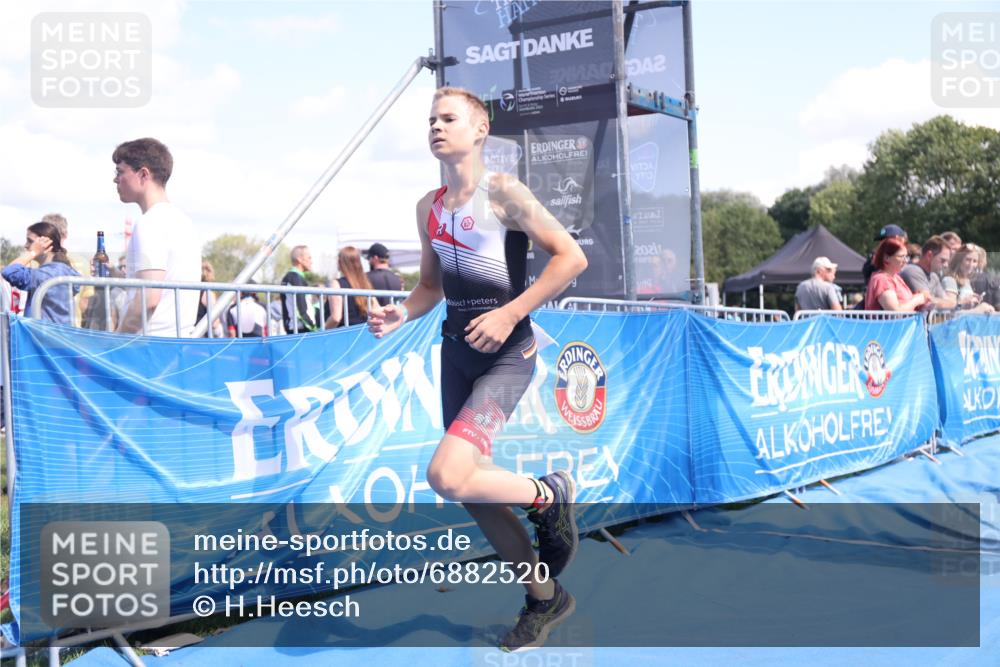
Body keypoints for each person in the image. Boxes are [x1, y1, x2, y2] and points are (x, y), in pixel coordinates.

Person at [367, 87, 588, 652]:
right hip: (456, 353)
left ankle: (547, 493)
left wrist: (510, 312)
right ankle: (545, 598)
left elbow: (571, 257)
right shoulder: (429, 207)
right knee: (472, 491)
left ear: (480, 129)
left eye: (449, 119)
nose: (436, 128)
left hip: (508, 354)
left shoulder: (504, 192)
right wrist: (401, 312)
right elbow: (429, 286)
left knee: (446, 475)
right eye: (431, 120)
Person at [112, 138, 201, 336]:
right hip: (175, 342)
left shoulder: (150, 222)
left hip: (149, 345)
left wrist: (117, 339)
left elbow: (149, 298)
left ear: (143, 174)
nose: (115, 180)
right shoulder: (183, 221)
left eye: (120, 172)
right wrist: (114, 273)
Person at [2, 222, 80, 325]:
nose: (26, 245)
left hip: (45, 335)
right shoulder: (58, 271)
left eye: (30, 241)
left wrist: (33, 252)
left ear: (45, 244)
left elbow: (9, 271)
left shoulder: (48, 274)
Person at [864, 237, 930, 311]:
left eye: (906, 257)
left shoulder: (897, 278)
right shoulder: (881, 279)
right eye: (901, 256)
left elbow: (907, 306)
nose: (906, 261)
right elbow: (895, 310)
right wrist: (916, 300)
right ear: (887, 258)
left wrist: (922, 300)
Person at [900, 235, 954, 310]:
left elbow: (949, 302)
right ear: (929, 255)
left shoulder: (934, 276)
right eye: (943, 260)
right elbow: (928, 302)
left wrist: (945, 302)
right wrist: (944, 302)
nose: (946, 265)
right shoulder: (912, 271)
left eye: (947, 261)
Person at [326, 246, 374, 328]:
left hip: (343, 333)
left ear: (341, 262)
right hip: (363, 332)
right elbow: (376, 308)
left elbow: (336, 318)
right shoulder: (365, 283)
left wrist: (322, 330)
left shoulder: (336, 284)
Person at [943, 244, 994, 311]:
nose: (971, 264)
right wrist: (976, 308)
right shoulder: (950, 280)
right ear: (959, 260)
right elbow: (948, 308)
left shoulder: (967, 281)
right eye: (968, 260)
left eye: (974, 261)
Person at [280, 245, 318, 334]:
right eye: (309, 258)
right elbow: (301, 309)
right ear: (299, 259)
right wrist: (313, 327)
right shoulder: (295, 278)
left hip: (297, 328)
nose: (311, 261)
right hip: (300, 330)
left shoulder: (294, 277)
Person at [196, 260, 224, 337]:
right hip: (203, 336)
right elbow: (215, 322)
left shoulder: (190, 292)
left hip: (190, 333)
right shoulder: (208, 293)